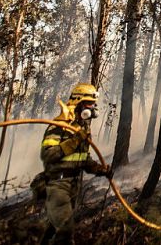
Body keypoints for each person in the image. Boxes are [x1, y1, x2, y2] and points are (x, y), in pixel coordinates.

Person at [40, 83, 110, 245]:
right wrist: (73, 142)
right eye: (89, 104)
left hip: (73, 185)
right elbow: (48, 154)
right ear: (78, 103)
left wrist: (100, 169)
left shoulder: (82, 127)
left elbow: (82, 158)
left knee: (52, 230)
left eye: (94, 104)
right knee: (65, 230)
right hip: (58, 184)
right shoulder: (60, 126)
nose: (93, 108)